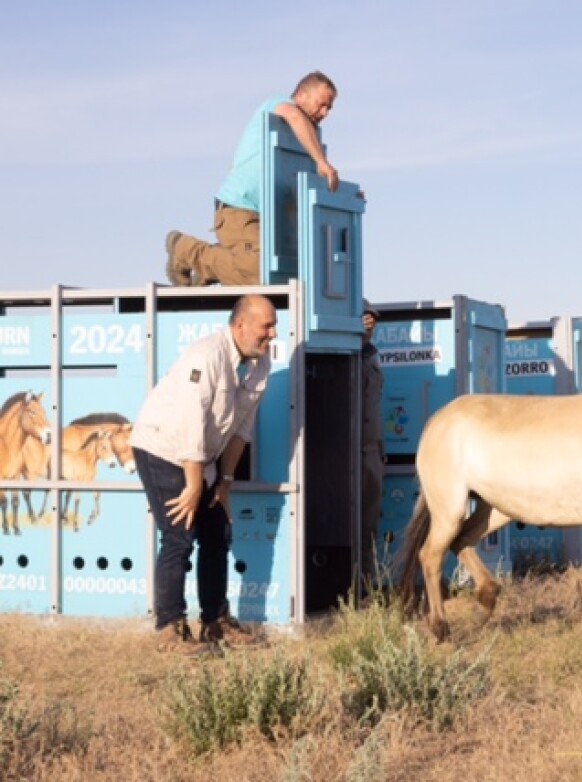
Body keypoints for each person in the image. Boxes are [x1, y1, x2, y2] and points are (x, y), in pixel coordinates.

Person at [130, 294, 277, 654]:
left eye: (274, 327)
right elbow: (189, 423)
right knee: (179, 536)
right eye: (266, 326)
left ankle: (215, 622)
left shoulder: (260, 363)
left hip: (204, 458)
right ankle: (170, 628)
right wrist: (194, 484)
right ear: (240, 325)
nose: (272, 334)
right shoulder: (206, 356)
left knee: (217, 534)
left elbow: (242, 429)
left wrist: (223, 483)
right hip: (164, 449)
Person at [165, 72, 341, 287]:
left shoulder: (304, 137)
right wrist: (322, 162)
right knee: (261, 274)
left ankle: (213, 268)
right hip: (239, 209)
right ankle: (185, 249)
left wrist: (342, 194)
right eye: (321, 104)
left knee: (285, 274)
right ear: (302, 95)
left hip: (271, 221)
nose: (325, 113)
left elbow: (309, 181)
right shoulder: (277, 105)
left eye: (329, 108)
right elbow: (294, 117)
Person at [360, 299, 385, 591]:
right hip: (346, 454)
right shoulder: (345, 356)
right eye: (364, 319)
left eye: (372, 321)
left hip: (371, 452)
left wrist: (380, 453)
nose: (369, 325)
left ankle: (366, 587)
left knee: (369, 524)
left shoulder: (372, 357)